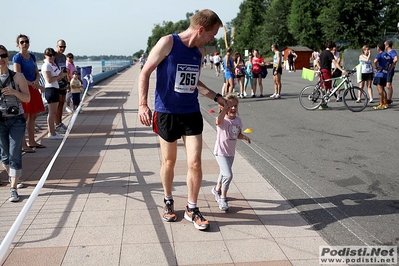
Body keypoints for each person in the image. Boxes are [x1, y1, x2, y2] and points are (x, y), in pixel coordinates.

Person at [138, 9, 224, 231]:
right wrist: (142, 104)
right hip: (166, 112)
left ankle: (192, 208)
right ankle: (168, 200)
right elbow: (145, 72)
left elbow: (195, 83)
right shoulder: (168, 43)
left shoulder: (200, 52)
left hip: (191, 112)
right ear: (201, 29)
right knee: (169, 162)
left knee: (195, 162)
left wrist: (217, 97)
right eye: (212, 34)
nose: (213, 39)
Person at [0, 45, 30, 202]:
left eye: (3, 55)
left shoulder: (17, 77)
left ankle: (13, 188)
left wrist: (14, 92)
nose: (1, 59)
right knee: (4, 156)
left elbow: (27, 98)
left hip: (16, 119)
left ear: (8, 57)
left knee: (14, 154)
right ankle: (14, 178)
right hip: (0, 120)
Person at [211, 93, 250, 211]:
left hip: (231, 152)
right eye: (230, 106)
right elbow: (218, 121)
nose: (233, 108)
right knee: (228, 175)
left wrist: (244, 137)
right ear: (223, 108)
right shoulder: (222, 120)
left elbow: (237, 134)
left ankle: (216, 190)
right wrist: (224, 108)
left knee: (223, 173)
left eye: (235, 106)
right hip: (220, 152)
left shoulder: (238, 120)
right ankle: (223, 198)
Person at [12, 34, 46, 154]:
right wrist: (32, 84)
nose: (24, 44)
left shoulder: (32, 56)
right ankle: (23, 144)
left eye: (26, 41)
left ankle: (32, 141)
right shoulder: (17, 58)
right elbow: (18, 75)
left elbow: (37, 72)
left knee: (33, 116)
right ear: (18, 44)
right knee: (24, 117)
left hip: (33, 88)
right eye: (22, 42)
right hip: (24, 89)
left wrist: (36, 82)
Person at [41, 48, 67, 139]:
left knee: (53, 112)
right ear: (45, 56)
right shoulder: (46, 65)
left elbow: (56, 77)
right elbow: (49, 79)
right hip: (50, 89)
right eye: (49, 55)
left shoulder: (52, 65)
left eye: (53, 55)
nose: (51, 57)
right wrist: (59, 76)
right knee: (52, 112)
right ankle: (52, 133)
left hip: (55, 88)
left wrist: (61, 76)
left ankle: (52, 132)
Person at [316, 41, 347, 110]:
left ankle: (324, 103)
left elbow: (316, 61)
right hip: (327, 71)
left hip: (323, 71)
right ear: (331, 47)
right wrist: (342, 70)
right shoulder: (329, 53)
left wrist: (319, 67)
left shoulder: (322, 52)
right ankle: (322, 104)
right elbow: (335, 63)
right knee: (326, 87)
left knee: (326, 88)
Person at [372, 43, 393, 110]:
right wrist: (389, 69)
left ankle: (381, 104)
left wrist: (376, 67)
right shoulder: (388, 55)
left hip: (379, 74)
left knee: (380, 90)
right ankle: (385, 103)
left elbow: (375, 61)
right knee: (383, 89)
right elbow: (393, 62)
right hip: (385, 74)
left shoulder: (379, 55)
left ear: (378, 48)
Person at [54, 40, 68, 134]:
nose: (62, 49)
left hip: (63, 82)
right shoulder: (53, 56)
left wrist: (68, 81)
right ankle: (57, 124)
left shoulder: (63, 57)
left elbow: (65, 70)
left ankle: (60, 122)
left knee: (62, 103)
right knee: (57, 105)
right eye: (60, 47)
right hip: (56, 82)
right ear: (57, 46)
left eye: (64, 47)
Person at [385, 40, 398, 104]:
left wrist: (391, 66)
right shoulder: (387, 52)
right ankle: (387, 98)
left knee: (388, 85)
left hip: (390, 71)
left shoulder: (392, 52)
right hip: (385, 70)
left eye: (385, 44)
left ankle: (389, 99)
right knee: (385, 85)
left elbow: (396, 59)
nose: (384, 46)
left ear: (387, 45)